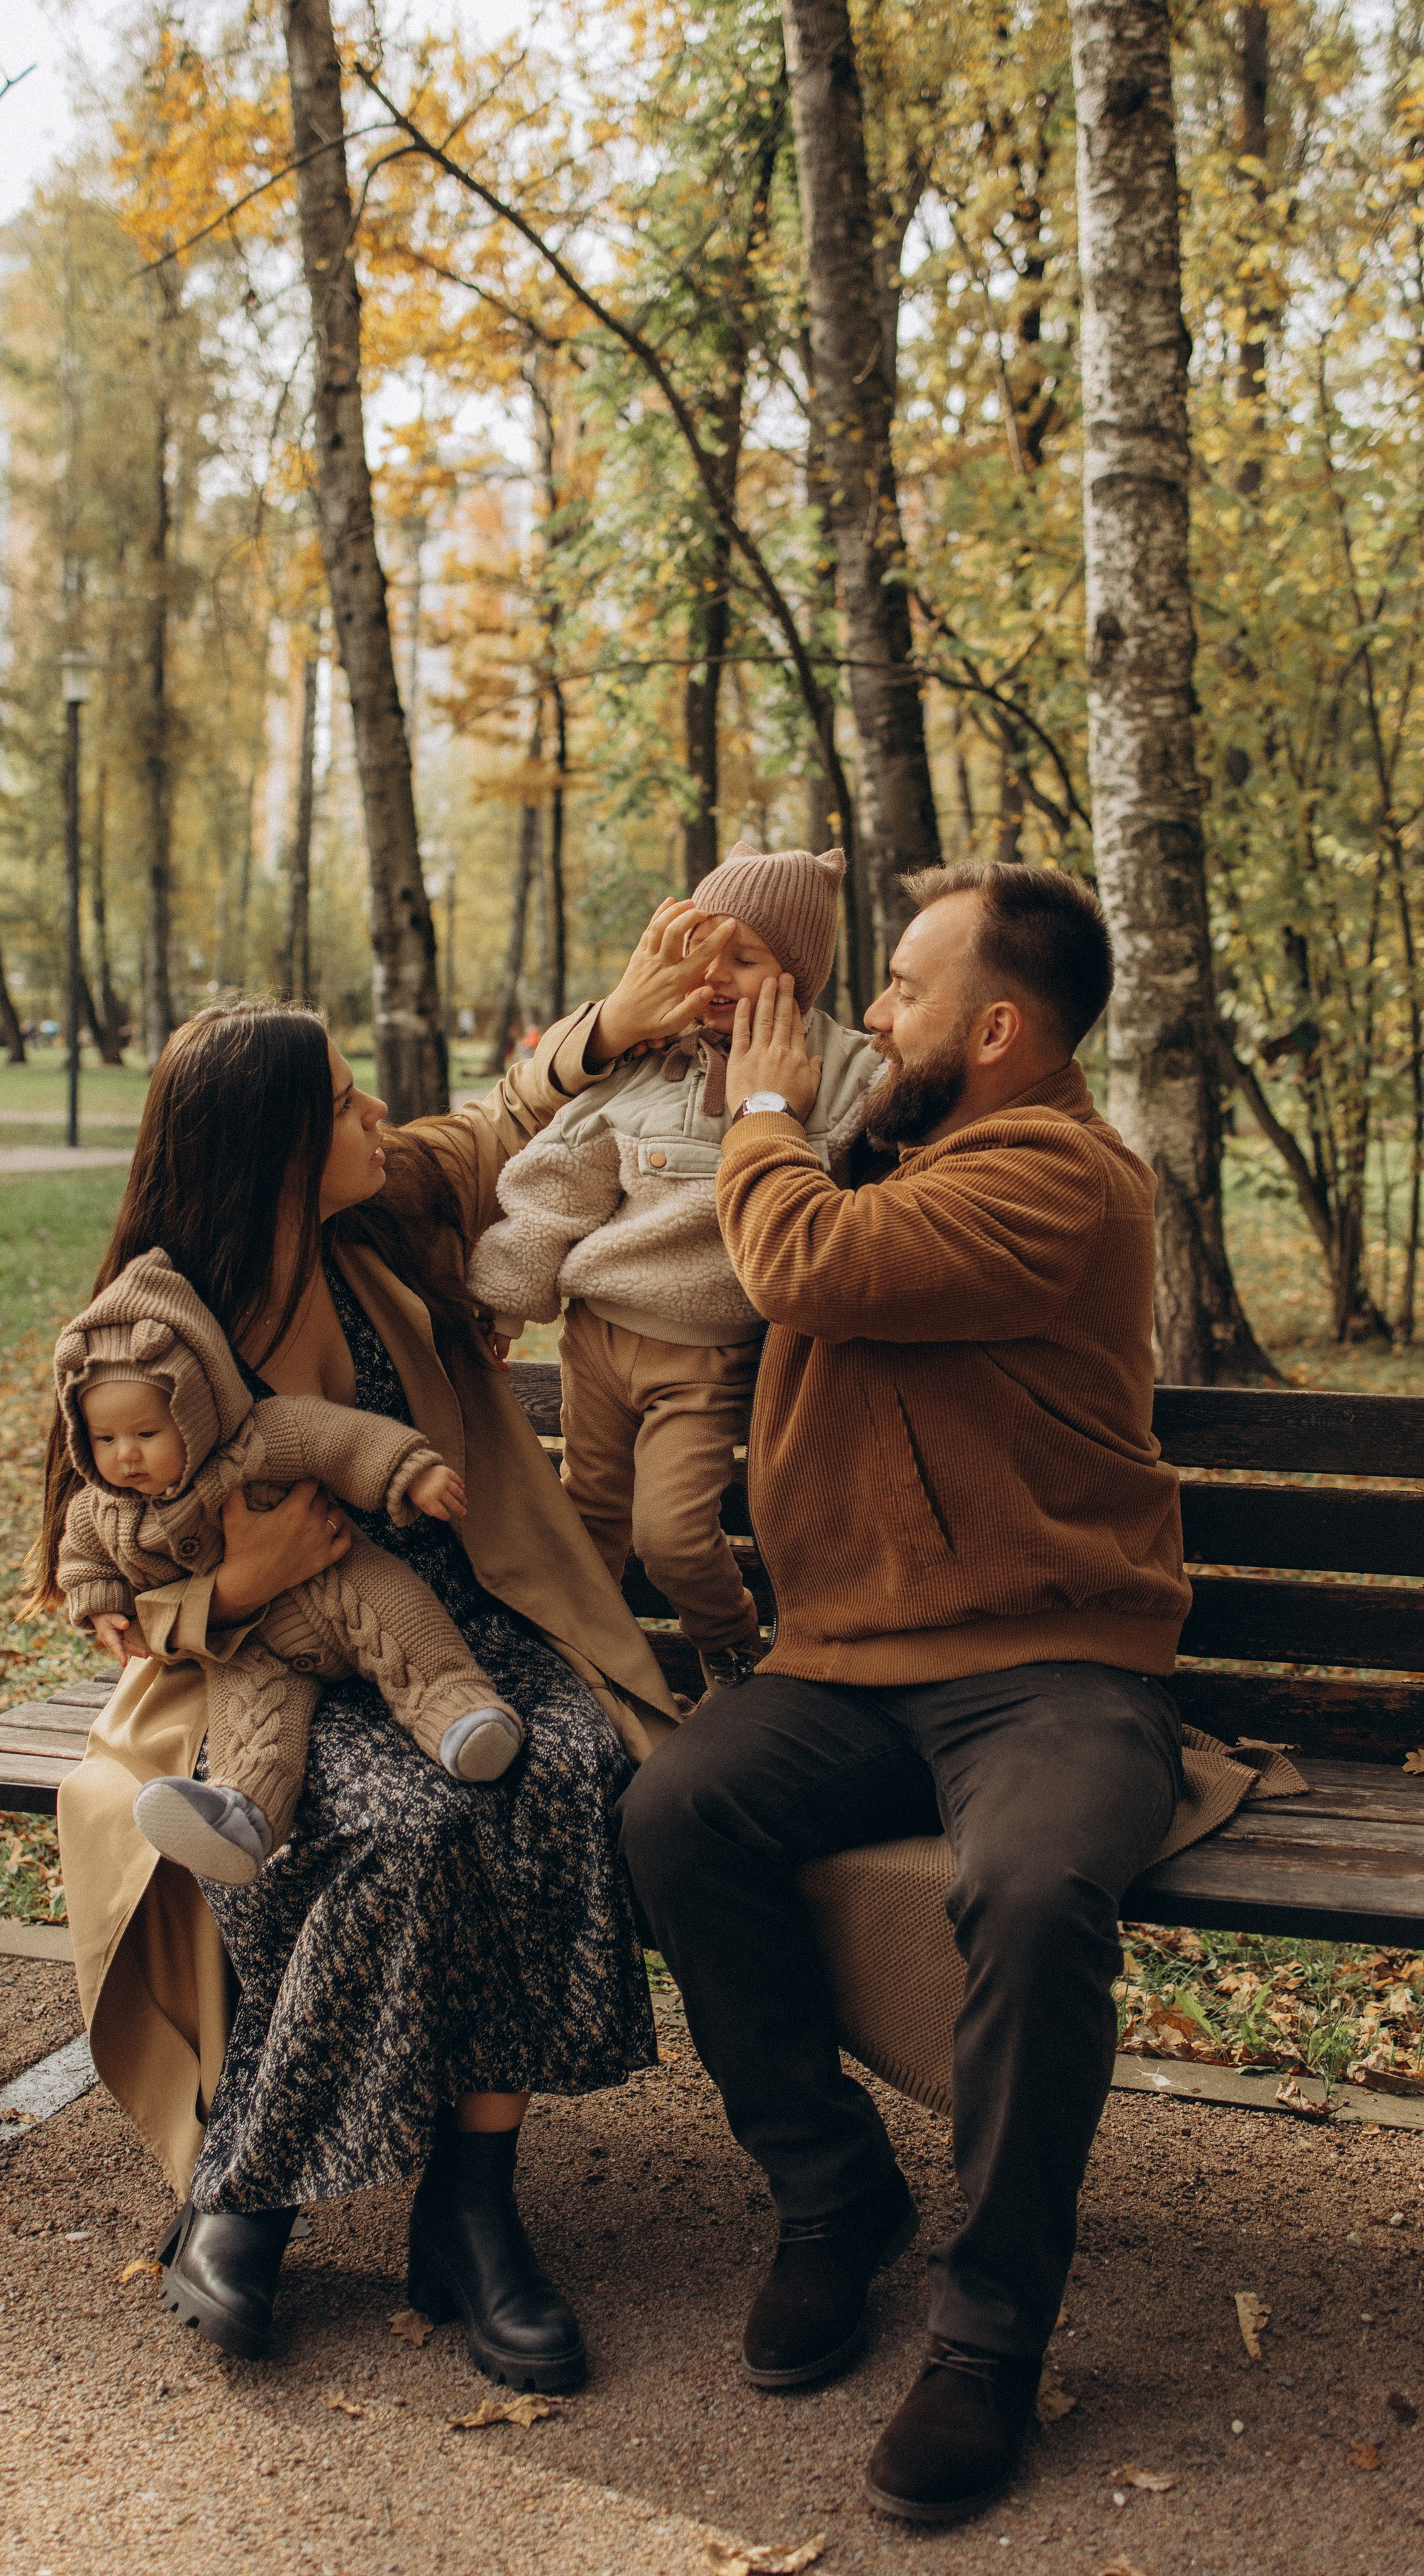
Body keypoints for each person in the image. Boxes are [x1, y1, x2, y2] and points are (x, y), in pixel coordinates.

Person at [55, 900, 732, 2388]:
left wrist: (615, 1025)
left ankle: (464, 2210)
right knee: (403, 1834)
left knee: (553, 1774)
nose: (376, 1114)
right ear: (278, 1155)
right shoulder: (156, 1333)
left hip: (472, 1627)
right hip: (267, 1678)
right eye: (346, 1101)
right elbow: (90, 1560)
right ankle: (259, 2187)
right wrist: (234, 1592)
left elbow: (492, 1126)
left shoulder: (373, 1219)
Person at [619, 861, 1192, 2525]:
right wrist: (701, 1033)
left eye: (902, 988)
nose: (870, 1010)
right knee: (673, 1807)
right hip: (851, 1664)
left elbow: (805, 1260)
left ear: (996, 1030)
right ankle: (827, 2192)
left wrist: (777, 1105)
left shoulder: (1062, 1179)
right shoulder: (916, 1138)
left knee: (1026, 1890)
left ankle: (986, 2331)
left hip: (1056, 1665)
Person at [468, 845, 880, 1693]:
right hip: (598, 1342)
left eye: (746, 957)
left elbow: (891, 1164)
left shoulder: (842, 1073)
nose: (716, 974)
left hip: (707, 1356)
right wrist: (501, 1304)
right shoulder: (648, 1059)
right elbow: (555, 1189)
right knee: (585, 1526)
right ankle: (587, 1678)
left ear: (798, 975)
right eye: (704, 949)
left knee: (674, 1539)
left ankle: (731, 1650)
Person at [45, 1244, 527, 1888]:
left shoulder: (259, 1439)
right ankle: (242, 1816)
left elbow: (341, 1437)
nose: (125, 1456)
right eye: (105, 1440)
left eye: (146, 1434)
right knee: (250, 1718)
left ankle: (459, 1712)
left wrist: (411, 1471)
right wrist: (98, 1599)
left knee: (402, 1623)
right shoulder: (102, 1509)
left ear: (195, 1409)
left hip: (335, 1584)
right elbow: (81, 1556)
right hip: (249, 1644)